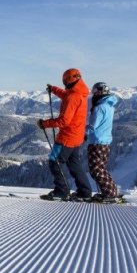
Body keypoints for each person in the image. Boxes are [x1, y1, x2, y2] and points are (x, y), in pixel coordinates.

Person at [37, 68, 93, 201]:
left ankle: (62, 191)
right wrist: (54, 89)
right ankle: (85, 192)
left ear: (68, 80)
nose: (64, 84)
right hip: (77, 137)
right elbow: (66, 95)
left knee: (54, 161)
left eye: (64, 81)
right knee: (74, 164)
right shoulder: (78, 93)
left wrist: (45, 124)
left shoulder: (73, 96)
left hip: (67, 137)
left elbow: (64, 121)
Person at [86, 82, 120, 202]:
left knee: (96, 169)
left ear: (100, 92)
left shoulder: (100, 107)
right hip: (105, 141)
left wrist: (82, 133)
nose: (94, 95)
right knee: (101, 168)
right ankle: (112, 190)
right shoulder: (109, 105)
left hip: (97, 141)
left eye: (95, 92)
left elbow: (92, 126)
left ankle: (109, 194)